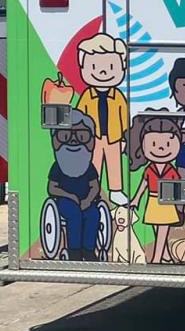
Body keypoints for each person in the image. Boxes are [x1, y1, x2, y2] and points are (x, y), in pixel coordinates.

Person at [74, 33, 129, 198]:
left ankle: (116, 191)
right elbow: (79, 117)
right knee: (93, 164)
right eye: (94, 67)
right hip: (93, 138)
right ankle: (93, 190)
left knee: (114, 164)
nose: (103, 72)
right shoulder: (87, 96)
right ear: (83, 69)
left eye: (111, 67)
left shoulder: (118, 96)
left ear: (122, 68)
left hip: (114, 137)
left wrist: (125, 139)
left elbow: (124, 118)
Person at [47, 109, 104, 261]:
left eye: (81, 136)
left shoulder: (88, 166)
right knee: (75, 216)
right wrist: (69, 196)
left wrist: (88, 200)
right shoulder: (58, 166)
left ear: (91, 142)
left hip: (86, 200)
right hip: (65, 201)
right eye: (65, 136)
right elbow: (52, 188)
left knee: (93, 215)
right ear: (55, 141)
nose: (73, 141)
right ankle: (74, 252)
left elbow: (95, 186)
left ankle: (88, 250)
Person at [128, 114, 184, 264]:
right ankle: (166, 256)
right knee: (156, 229)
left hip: (166, 202)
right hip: (152, 201)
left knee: (162, 230)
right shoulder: (149, 169)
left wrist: (178, 206)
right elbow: (144, 184)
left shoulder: (171, 170)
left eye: (167, 144)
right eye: (153, 143)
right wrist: (136, 199)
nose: (160, 148)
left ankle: (157, 258)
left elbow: (178, 189)